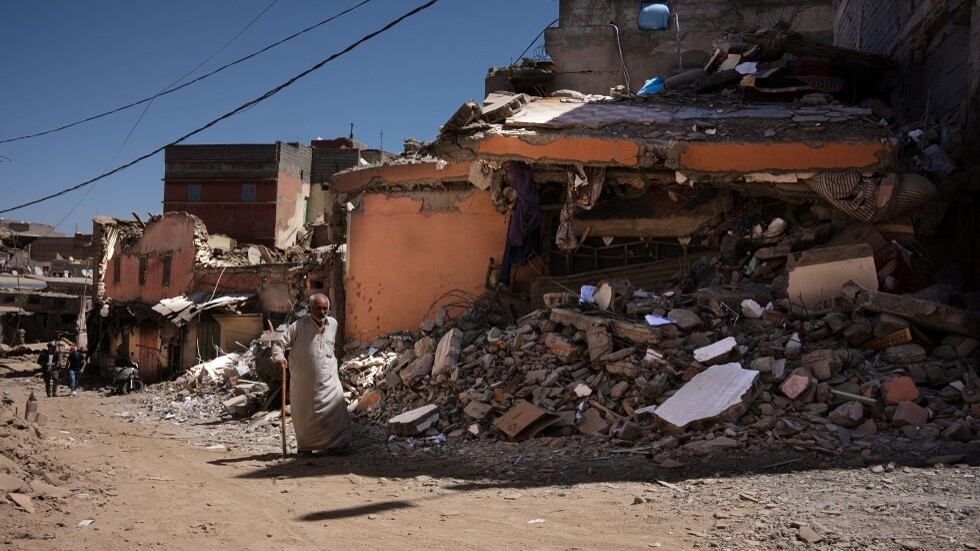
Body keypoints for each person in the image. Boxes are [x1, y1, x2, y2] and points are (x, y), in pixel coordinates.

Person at [272, 293, 352, 455]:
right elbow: (279, 345)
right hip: (304, 383)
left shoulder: (334, 324)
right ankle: (306, 447)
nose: (322, 312)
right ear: (309, 309)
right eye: (318, 308)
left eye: (325, 309)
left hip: (329, 380)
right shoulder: (297, 326)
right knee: (305, 416)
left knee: (336, 413)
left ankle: (338, 445)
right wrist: (279, 358)